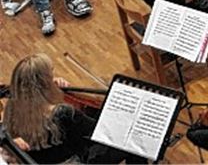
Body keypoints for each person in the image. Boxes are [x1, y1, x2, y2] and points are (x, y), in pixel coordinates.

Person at [2, 54, 139, 163]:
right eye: (51, 73)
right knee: (132, 143)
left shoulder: (11, 107)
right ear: (45, 81)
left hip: (42, 160)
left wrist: (52, 89)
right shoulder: (62, 113)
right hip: (75, 160)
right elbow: (99, 131)